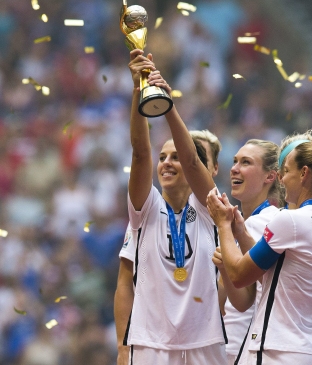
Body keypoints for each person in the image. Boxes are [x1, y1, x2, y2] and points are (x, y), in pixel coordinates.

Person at [114, 50, 227, 364]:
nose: (166, 162)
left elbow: (192, 161)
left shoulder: (211, 209)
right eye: (162, 157)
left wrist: (165, 104)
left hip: (206, 343)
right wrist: (139, 92)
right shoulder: (145, 210)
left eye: (173, 156)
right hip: (151, 345)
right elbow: (139, 154)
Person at [207, 140, 312, 364]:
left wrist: (223, 225)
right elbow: (273, 272)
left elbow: (238, 275)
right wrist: (241, 233)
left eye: (286, 171)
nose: (282, 180)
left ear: (304, 173)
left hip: (279, 350)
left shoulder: (289, 220)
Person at [218, 139, 280, 365]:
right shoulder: (248, 221)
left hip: (245, 342)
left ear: (270, 176)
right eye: (235, 161)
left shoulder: (265, 223)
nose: (234, 168)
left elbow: (239, 298)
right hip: (240, 342)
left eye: (246, 162)